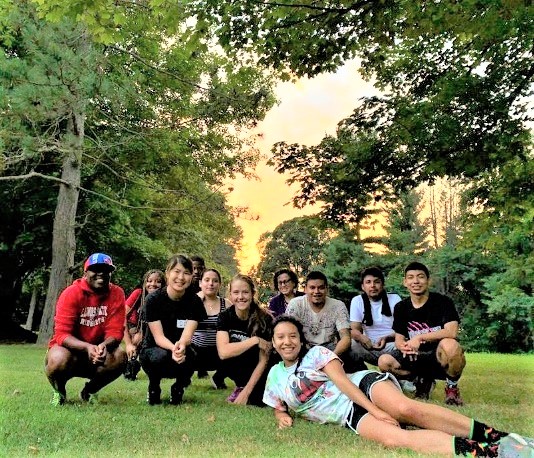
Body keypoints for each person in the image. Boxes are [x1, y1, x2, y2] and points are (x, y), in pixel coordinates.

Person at [263, 315, 533, 457]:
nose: (287, 342)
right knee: (396, 439)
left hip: (363, 388)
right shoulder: (274, 375)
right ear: (274, 343)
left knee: (405, 408)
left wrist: (376, 410)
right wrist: (282, 415)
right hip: (346, 414)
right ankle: (488, 452)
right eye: (281, 338)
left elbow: (344, 383)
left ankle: (499, 437)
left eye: (293, 336)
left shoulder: (316, 355)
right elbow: (279, 404)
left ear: (301, 339)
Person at [378, 262, 466, 405]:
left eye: (420, 277)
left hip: (437, 354)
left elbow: (452, 331)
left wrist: (420, 337)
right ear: (405, 282)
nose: (416, 281)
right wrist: (405, 347)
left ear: (428, 280)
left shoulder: (442, 302)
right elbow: (399, 340)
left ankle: (452, 388)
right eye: (411, 277)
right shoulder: (401, 307)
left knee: (451, 345)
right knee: (384, 362)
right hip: (414, 356)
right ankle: (420, 381)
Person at [45, 253, 126, 405]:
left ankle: (90, 391)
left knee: (120, 356)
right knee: (57, 359)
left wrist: (102, 347)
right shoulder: (71, 293)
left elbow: (115, 332)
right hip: (70, 351)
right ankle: (59, 391)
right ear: (85, 273)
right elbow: (62, 335)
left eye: (105, 269)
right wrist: (87, 347)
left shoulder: (117, 293)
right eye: (95, 269)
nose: (101, 272)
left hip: (99, 353)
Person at [139, 255, 207, 405]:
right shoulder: (153, 300)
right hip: (153, 350)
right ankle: (154, 387)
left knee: (193, 355)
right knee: (161, 355)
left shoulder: (194, 301)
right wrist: (173, 349)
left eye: (186, 273)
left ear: (191, 277)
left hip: (180, 347)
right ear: (168, 273)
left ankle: (178, 388)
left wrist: (181, 346)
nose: (181, 277)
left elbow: (187, 335)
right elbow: (158, 337)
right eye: (176, 271)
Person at [286, 271, 366, 373]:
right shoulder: (296, 304)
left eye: (321, 287)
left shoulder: (338, 306)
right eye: (312, 288)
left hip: (330, 349)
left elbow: (346, 338)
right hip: (304, 349)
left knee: (354, 355)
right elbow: (289, 332)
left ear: (327, 289)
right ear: (305, 289)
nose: (317, 291)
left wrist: (330, 359)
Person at [216, 274, 273, 406]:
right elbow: (223, 352)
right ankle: (240, 386)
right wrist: (255, 340)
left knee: (258, 401)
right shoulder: (225, 316)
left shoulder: (264, 319)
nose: (240, 297)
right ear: (230, 294)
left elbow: (263, 361)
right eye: (236, 292)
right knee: (231, 352)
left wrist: (246, 393)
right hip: (237, 365)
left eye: (245, 292)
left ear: (253, 293)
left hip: (261, 368)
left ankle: (246, 389)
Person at [349, 266, 402, 366]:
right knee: (351, 343)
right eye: (368, 282)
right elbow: (354, 329)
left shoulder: (395, 299)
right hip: (369, 346)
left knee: (405, 344)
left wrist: (386, 338)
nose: (372, 285)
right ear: (363, 286)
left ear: (382, 284)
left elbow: (402, 330)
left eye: (376, 282)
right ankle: (361, 374)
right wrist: (361, 337)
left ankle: (405, 376)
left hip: (392, 344)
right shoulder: (357, 301)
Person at [123, 269, 165, 381]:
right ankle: (130, 365)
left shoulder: (165, 297)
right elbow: (121, 316)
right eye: (149, 281)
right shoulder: (138, 294)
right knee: (137, 338)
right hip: (136, 329)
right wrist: (128, 343)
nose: (153, 284)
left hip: (157, 333)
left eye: (158, 281)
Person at [191, 268, 229, 389]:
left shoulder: (227, 304)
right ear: (200, 283)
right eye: (207, 280)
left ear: (220, 284)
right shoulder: (192, 302)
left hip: (218, 352)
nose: (211, 284)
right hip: (195, 351)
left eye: (215, 281)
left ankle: (218, 378)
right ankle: (184, 377)